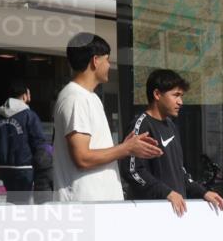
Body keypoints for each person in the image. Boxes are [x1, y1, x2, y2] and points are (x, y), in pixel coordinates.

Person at [52, 33, 162, 202]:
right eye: (107, 59)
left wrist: (125, 146)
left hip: (97, 205)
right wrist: (126, 148)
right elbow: (82, 158)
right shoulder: (75, 98)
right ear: (95, 61)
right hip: (84, 206)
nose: (109, 65)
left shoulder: (90, 97)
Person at [121, 69, 223, 216]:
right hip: (152, 215)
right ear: (157, 94)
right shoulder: (141, 125)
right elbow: (132, 171)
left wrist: (203, 192)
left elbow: (179, 171)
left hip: (177, 214)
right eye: (175, 95)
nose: (180, 102)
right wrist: (167, 193)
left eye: (181, 96)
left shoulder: (170, 125)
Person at [0, 80, 46, 205]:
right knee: (22, 206)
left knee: (11, 202)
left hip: (3, 168)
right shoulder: (29, 116)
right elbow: (39, 142)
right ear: (24, 95)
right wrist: (42, 167)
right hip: (24, 167)